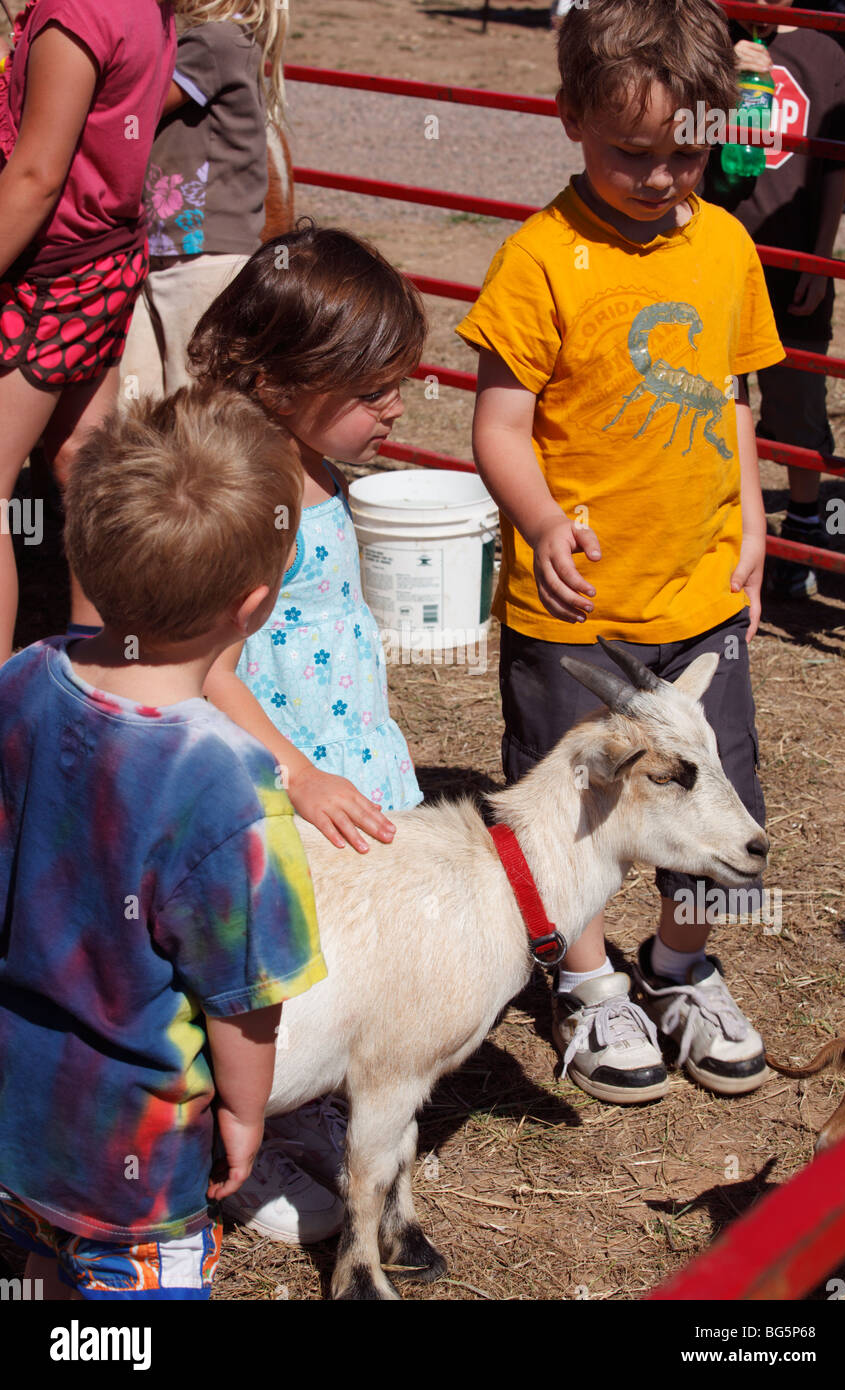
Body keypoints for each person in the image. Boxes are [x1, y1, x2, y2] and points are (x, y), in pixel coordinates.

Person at [456, 0, 786, 1105]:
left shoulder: (727, 244)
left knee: (719, 794)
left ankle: (684, 966)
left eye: (684, 153)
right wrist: (545, 523)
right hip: (576, 617)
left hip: (696, 599)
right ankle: (589, 986)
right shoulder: (540, 261)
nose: (658, 177)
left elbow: (733, 398)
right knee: (578, 813)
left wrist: (746, 517)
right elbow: (497, 425)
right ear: (568, 120)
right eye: (629, 153)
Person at [0, 387, 334, 1299]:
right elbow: (244, 1000)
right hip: (134, 1159)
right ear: (256, 603)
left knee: (43, 1265)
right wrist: (247, 1113)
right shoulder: (231, 785)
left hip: (18, 1112)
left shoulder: (23, 677)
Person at [186, 222, 426, 1238]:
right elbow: (209, 668)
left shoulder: (313, 466)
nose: (396, 410)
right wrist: (299, 777)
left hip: (342, 754)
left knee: (343, 955)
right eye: (372, 393)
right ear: (284, 382)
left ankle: (317, 1104)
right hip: (284, 785)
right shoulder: (252, 492)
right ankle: (252, 1139)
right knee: (278, 964)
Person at [0, 0, 177, 663]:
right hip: (105, 259)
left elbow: (37, 176)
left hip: (47, 278)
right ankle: (103, 673)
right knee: (85, 465)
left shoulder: (77, 11)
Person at [702, 0, 845, 599]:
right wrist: (723, 74)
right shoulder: (706, 32)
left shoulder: (825, 52)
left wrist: (821, 261)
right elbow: (670, 126)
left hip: (792, 258)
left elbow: (836, 168)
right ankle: (720, 529)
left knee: (797, 403)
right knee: (708, 396)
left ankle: (801, 525)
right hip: (713, 252)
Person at [120, 0, 290, 401]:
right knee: (141, 403)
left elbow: (138, 103)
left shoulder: (218, 42)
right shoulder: (205, 41)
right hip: (169, 252)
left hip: (204, 257)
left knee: (197, 405)